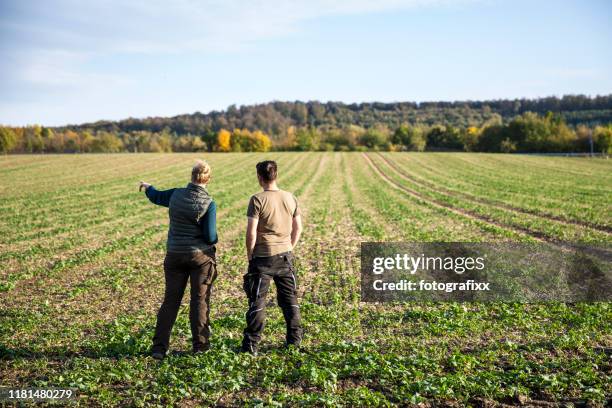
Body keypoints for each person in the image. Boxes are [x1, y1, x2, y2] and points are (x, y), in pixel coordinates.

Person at [139, 160, 218, 360]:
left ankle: (159, 347)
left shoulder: (176, 194)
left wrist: (148, 187)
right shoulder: (209, 203)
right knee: (199, 301)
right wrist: (214, 239)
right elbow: (210, 236)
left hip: (174, 255)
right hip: (199, 258)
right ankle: (200, 346)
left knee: (171, 301)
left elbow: (157, 196)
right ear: (208, 179)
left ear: (191, 176)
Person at [241, 160, 303, 355]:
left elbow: (251, 232)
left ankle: (252, 345)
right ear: (275, 175)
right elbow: (298, 227)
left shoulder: (257, 199)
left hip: (262, 257)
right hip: (285, 256)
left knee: (257, 301)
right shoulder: (290, 197)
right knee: (289, 300)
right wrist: (289, 246)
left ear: (260, 177)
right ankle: (294, 341)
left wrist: (250, 254)